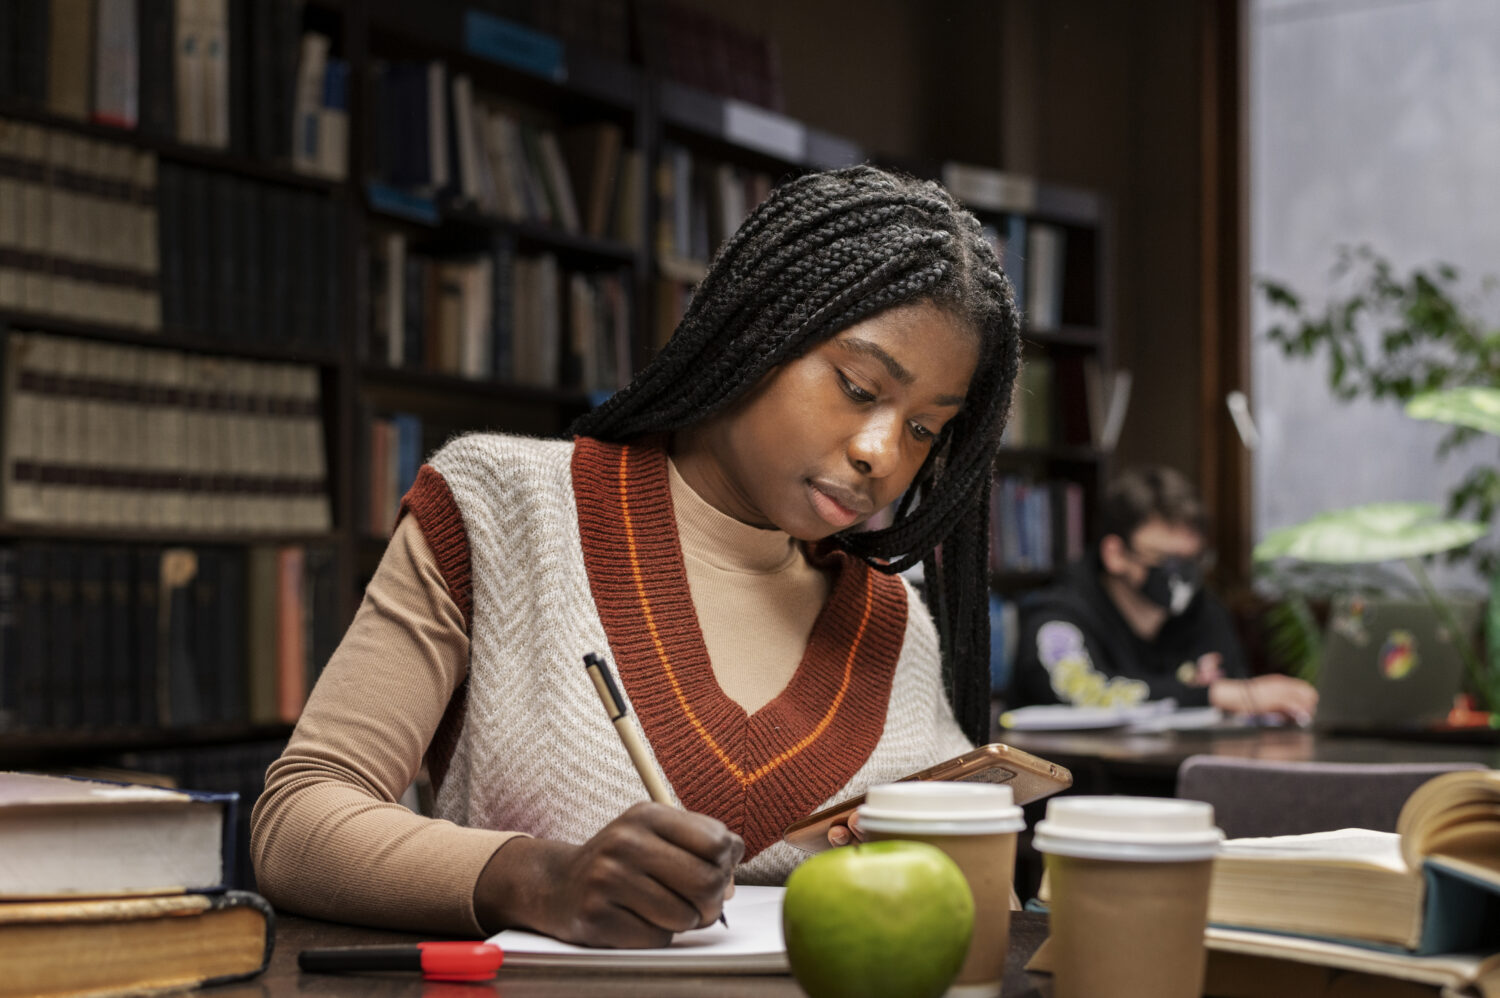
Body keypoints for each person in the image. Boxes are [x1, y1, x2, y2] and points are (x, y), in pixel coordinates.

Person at [251, 166, 1022, 946]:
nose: (881, 454)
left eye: (925, 429)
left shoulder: (894, 624)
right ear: (756, 324)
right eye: (858, 388)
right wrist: (540, 881)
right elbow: (299, 821)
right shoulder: (500, 511)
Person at [1008, 465, 1318, 721]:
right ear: (1116, 554)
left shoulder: (1205, 611)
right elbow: (1082, 693)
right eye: (1163, 560)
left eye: (1191, 560)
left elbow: (1238, 701)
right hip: (1086, 786)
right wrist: (1213, 694)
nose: (1180, 576)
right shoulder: (1058, 617)